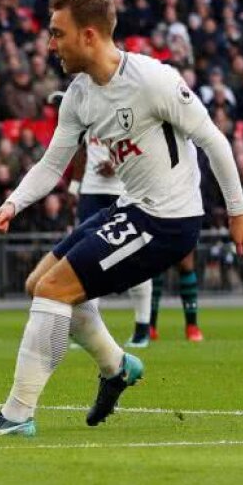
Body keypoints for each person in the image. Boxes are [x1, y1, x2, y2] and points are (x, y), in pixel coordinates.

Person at [0, 0, 243, 437]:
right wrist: (13, 202)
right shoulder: (79, 94)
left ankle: (17, 415)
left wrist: (239, 212)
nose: (50, 44)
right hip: (132, 208)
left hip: (169, 220)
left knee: (55, 290)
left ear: (90, 35)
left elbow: (213, 139)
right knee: (39, 284)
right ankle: (117, 366)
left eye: (58, 34)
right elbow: (53, 163)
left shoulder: (153, 79)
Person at [69, 133, 154, 348]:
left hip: (125, 192)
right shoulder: (86, 108)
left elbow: (146, 151)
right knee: (86, 261)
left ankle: (142, 328)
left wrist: (117, 165)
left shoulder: (131, 109)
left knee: (137, 257)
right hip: (91, 194)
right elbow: (81, 149)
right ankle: (87, 329)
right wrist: (74, 185)